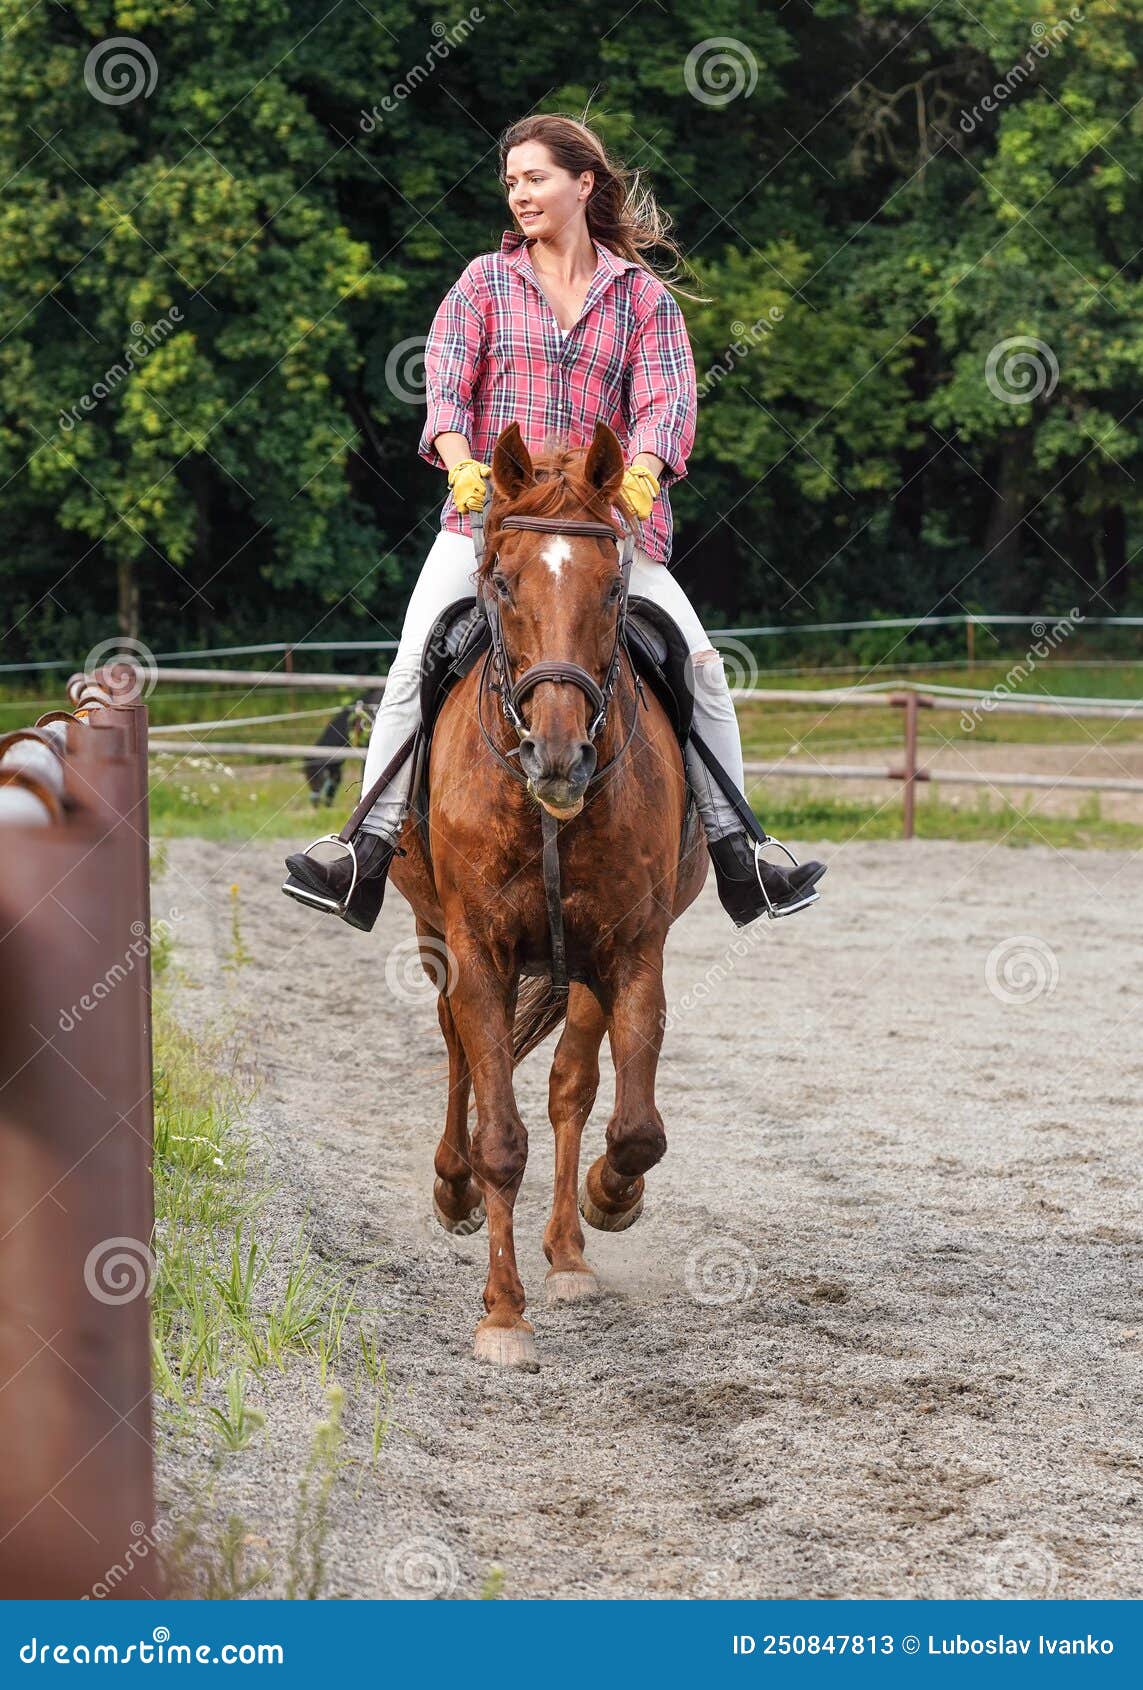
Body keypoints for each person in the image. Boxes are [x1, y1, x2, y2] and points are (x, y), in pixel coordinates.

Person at [283, 113, 826, 932]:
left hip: (607, 535)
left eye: (534, 177)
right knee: (407, 671)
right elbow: (445, 390)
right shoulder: (480, 283)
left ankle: (738, 856)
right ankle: (364, 846)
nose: (519, 193)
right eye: (510, 181)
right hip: (489, 535)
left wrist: (643, 469)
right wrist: (462, 460)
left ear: (583, 184)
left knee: (706, 672)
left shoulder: (642, 298)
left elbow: (667, 401)